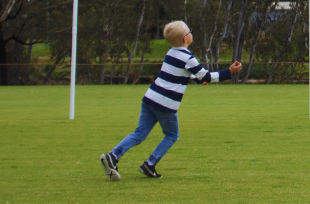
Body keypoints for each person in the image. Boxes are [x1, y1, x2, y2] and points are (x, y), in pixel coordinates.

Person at [100, 21, 242, 180]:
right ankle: (150, 164)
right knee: (172, 135)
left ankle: (113, 155)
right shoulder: (188, 57)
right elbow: (207, 77)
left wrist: (195, 78)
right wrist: (229, 72)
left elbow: (181, 73)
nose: (191, 33)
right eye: (190, 31)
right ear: (185, 39)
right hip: (166, 104)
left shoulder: (171, 52)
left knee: (140, 133)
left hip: (150, 98)